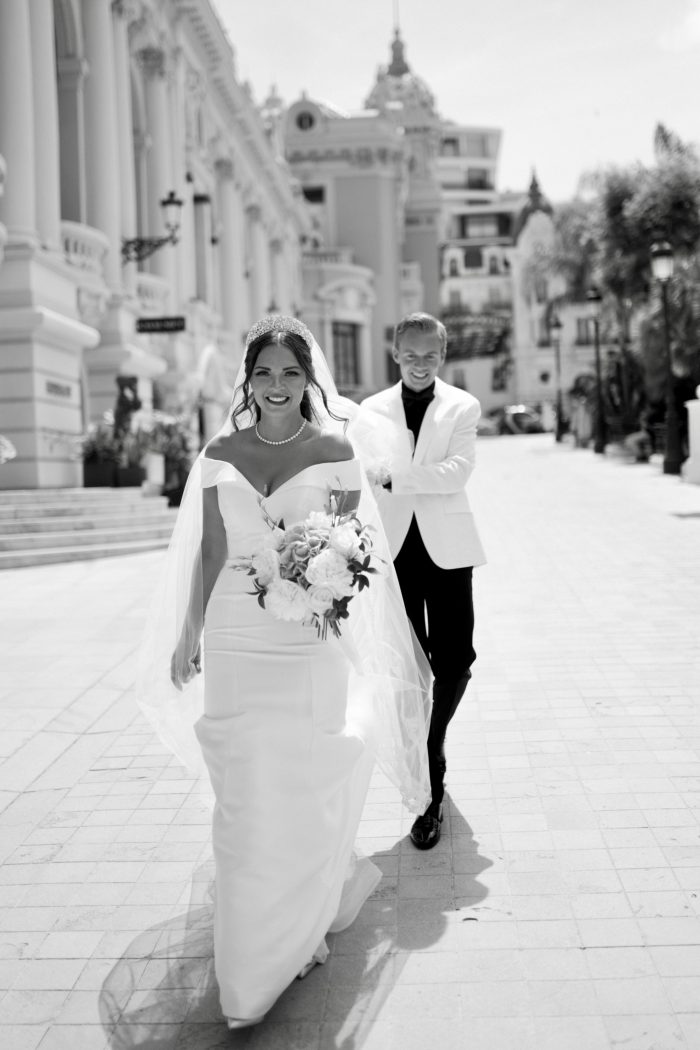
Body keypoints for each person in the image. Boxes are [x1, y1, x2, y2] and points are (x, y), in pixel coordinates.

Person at [136, 315, 431, 1028]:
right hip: (237, 638)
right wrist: (189, 634)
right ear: (248, 378)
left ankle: (300, 918)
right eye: (264, 373)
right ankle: (249, 960)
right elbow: (211, 547)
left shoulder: (335, 449)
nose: (276, 386)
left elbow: (355, 549)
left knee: (298, 781)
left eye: (290, 373)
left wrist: (325, 589)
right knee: (242, 795)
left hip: (305, 640)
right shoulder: (218, 451)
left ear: (309, 379)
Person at [357, 312, 486, 850]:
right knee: (409, 663)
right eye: (410, 355)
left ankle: (433, 745)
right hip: (394, 551)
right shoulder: (369, 411)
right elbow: (363, 473)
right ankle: (429, 792)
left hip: (448, 548)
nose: (420, 364)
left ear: (442, 353)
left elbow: (459, 472)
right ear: (395, 353)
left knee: (455, 659)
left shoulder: (462, 405)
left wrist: (397, 476)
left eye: (430, 355)